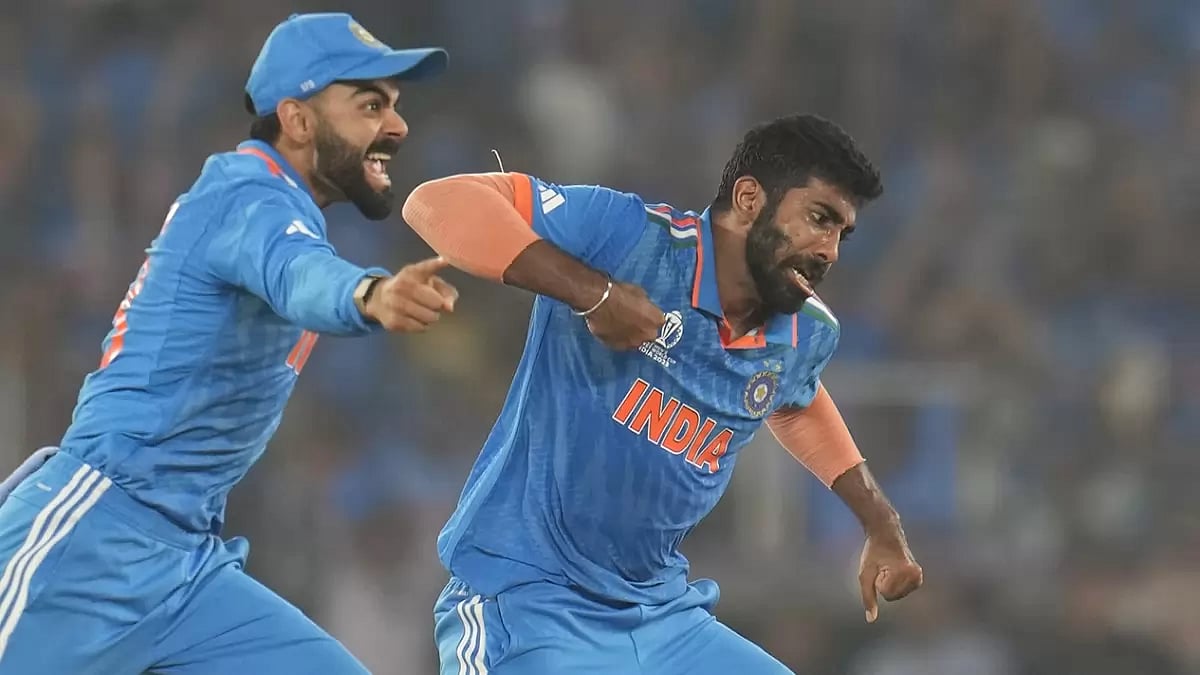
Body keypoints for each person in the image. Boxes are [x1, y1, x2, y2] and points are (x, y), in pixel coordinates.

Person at [0, 12, 456, 674]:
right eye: (369, 104)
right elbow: (297, 273)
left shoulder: (282, 205)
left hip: (185, 567)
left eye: (394, 104)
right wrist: (369, 295)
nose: (397, 125)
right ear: (298, 121)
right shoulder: (245, 192)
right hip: (92, 539)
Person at [403, 113, 925, 674]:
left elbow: (796, 399)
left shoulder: (807, 331)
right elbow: (436, 203)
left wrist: (880, 523)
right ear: (750, 198)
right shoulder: (629, 237)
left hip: (662, 617)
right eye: (819, 219)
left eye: (842, 234)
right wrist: (593, 293)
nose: (830, 251)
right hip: (528, 601)